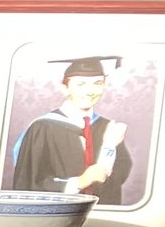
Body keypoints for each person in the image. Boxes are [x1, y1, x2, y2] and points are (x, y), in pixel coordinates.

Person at [8, 54, 133, 202]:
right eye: (81, 84)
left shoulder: (108, 128)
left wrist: (109, 147)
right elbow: (29, 183)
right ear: (65, 88)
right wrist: (80, 182)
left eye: (97, 83)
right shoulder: (42, 128)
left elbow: (115, 178)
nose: (90, 91)